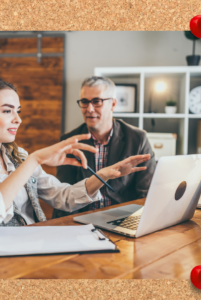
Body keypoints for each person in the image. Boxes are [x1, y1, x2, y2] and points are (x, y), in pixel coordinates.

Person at [0, 78, 151, 242]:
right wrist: (34, 160)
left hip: (35, 245)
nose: (17, 119)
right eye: (7, 111)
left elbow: (63, 197)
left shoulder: (17, 156)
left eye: (18, 111)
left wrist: (103, 175)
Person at [52, 76, 156, 219]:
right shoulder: (69, 141)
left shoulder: (138, 139)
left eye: (97, 102)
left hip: (123, 219)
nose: (89, 109)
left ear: (113, 104)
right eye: (84, 102)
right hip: (83, 220)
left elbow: (146, 194)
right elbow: (64, 194)